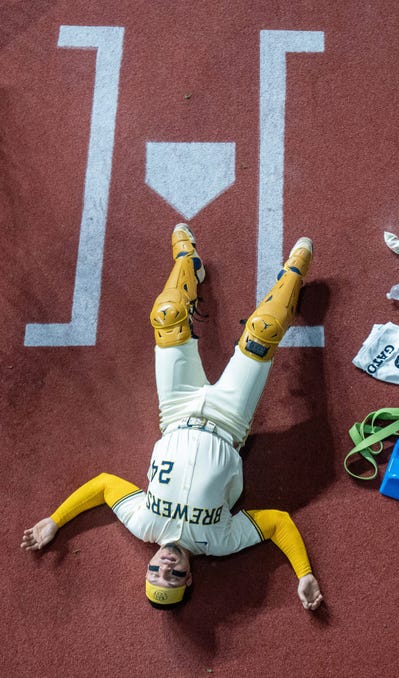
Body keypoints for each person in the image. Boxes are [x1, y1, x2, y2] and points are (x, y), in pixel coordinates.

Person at [20, 223, 323, 611]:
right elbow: (278, 523)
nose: (165, 568)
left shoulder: (143, 523)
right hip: (230, 421)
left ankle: (188, 263)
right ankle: (293, 278)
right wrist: (304, 573)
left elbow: (103, 486)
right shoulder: (219, 540)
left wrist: (55, 521)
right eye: (175, 577)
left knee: (166, 315)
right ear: (190, 576)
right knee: (263, 331)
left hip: (177, 410)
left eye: (155, 574)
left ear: (147, 568)